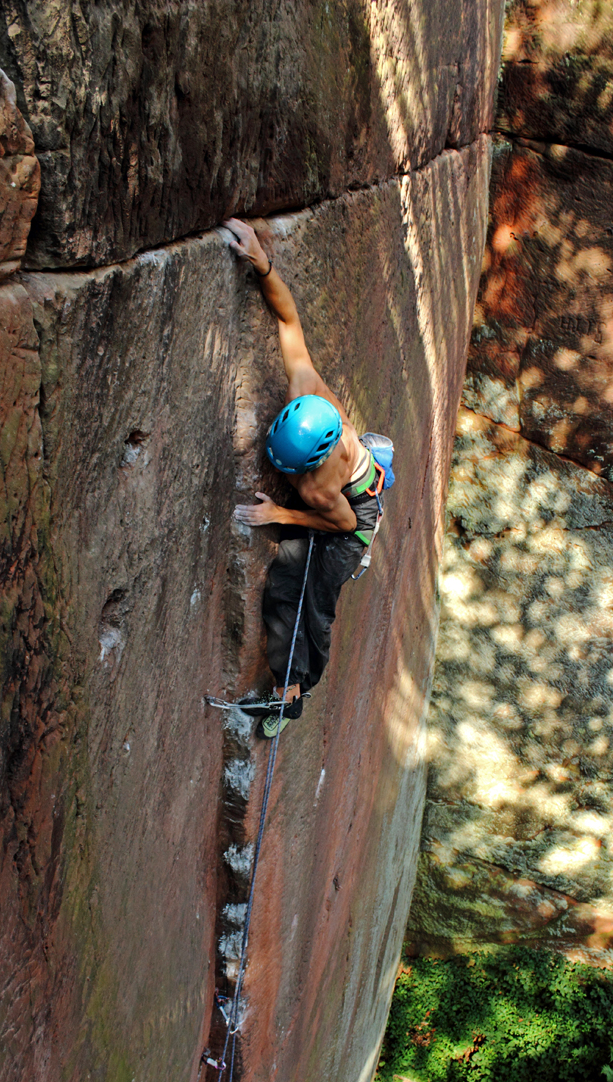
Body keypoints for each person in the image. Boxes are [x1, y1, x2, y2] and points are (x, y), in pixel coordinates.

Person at [224, 217, 384, 738]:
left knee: (306, 598)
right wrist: (261, 262)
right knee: (289, 583)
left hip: (351, 521)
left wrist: (278, 513)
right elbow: (288, 319)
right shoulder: (307, 389)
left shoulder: (318, 487)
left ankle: (293, 692)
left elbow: (339, 523)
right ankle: (289, 683)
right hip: (349, 486)